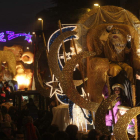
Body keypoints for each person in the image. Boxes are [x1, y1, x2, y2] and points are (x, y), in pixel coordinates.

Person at [86, 24, 140, 104]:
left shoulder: (122, 44)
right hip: (111, 63)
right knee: (116, 69)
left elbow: (127, 51)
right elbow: (102, 39)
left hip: (121, 62)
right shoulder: (107, 42)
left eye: (117, 33)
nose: (115, 35)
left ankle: (130, 90)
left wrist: (128, 42)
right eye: (113, 33)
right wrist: (107, 30)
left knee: (129, 69)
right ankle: (115, 89)